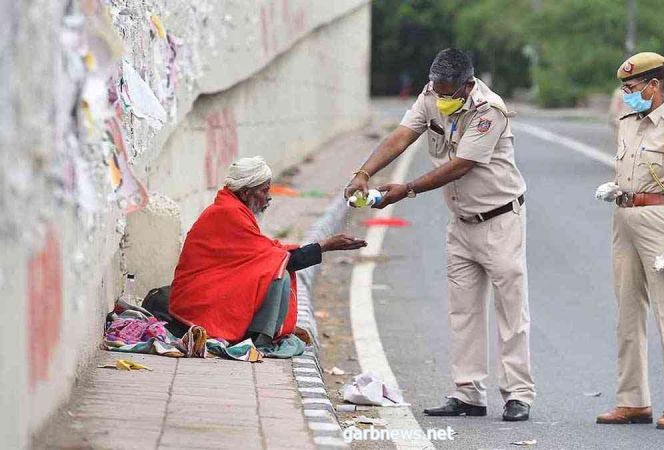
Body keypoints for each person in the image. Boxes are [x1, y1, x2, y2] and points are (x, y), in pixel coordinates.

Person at [344, 48, 535, 421]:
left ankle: (518, 394)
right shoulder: (430, 94)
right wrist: (363, 173)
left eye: (449, 93)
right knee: (463, 311)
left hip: (500, 221)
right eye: (437, 89)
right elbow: (402, 135)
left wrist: (407, 189)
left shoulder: (488, 110)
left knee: (511, 311)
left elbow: (461, 165)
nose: (442, 98)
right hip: (461, 222)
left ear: (468, 85)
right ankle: (468, 394)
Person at [594, 52, 664, 430]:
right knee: (627, 313)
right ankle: (632, 400)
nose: (626, 95)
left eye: (632, 87)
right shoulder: (627, 122)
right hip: (624, 217)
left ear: (654, 86)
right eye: (623, 88)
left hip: (661, 220)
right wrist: (617, 188)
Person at [169, 156, 366, 345]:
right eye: (264, 191)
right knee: (278, 276)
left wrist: (323, 246)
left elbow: (264, 251)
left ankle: (262, 332)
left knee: (274, 266)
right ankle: (261, 338)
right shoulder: (227, 213)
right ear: (246, 193)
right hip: (196, 300)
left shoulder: (233, 209)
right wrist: (325, 246)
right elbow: (278, 259)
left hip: (210, 289)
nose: (269, 197)